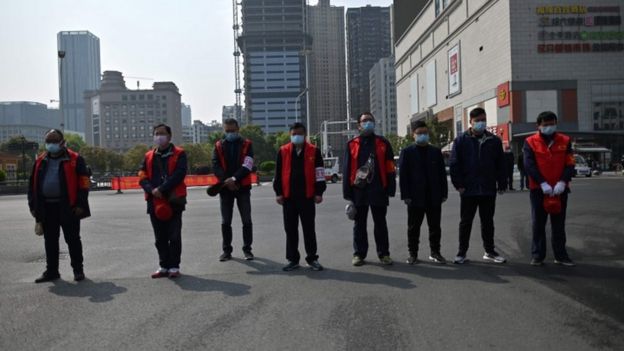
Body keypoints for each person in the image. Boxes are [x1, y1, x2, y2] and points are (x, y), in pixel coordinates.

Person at [28, 129, 91, 283]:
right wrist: (33, 206)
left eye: (54, 141)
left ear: (62, 143)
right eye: (48, 141)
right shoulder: (40, 160)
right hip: (46, 207)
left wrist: (80, 204)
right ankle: (52, 271)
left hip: (69, 206)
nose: (51, 144)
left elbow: (84, 183)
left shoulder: (75, 159)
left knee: (73, 239)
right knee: (50, 241)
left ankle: (78, 270)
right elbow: (32, 186)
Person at [449, 107, 507, 264]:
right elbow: (454, 164)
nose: (481, 123)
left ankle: (489, 251)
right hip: (468, 189)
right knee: (466, 222)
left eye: (483, 120)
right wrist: (458, 184)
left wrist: (502, 183)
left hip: (488, 188)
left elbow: (500, 164)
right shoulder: (461, 140)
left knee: (488, 221)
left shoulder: (494, 141)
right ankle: (461, 253)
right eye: (477, 121)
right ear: (470, 122)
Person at [343, 112, 396, 266]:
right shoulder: (352, 144)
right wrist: (347, 192)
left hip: (379, 189)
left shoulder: (383, 143)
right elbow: (346, 170)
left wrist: (391, 187)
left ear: (374, 123)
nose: (368, 123)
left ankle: (384, 254)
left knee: (380, 223)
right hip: (359, 191)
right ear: (359, 125)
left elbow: (390, 167)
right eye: (364, 121)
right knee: (359, 224)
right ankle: (359, 254)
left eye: (370, 120)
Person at [523, 111, 576, 266]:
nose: (549, 127)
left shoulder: (565, 140)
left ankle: (561, 255)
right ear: (538, 126)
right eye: (545, 125)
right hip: (539, 190)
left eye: (552, 124)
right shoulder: (530, 142)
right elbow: (529, 165)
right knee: (538, 223)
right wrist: (542, 183)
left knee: (559, 224)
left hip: (560, 190)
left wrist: (562, 182)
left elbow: (570, 163)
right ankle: (538, 255)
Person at [273, 123, 327, 271]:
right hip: (288, 197)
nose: (297, 136)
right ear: (290, 135)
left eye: (300, 134)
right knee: (290, 229)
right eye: (294, 134)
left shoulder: (314, 151)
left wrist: (319, 192)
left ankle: (312, 258)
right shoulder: (283, 151)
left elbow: (320, 173)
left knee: (309, 229)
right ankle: (292, 259)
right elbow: (277, 174)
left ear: (305, 135)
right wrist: (278, 193)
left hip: (307, 197)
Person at [139, 124, 188, 278]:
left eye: (162, 133)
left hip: (173, 199)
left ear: (169, 136)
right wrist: (151, 189)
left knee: (174, 235)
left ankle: (174, 266)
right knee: (159, 237)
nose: (159, 136)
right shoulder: (148, 156)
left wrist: (162, 189)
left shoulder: (179, 153)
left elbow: (179, 174)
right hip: (154, 200)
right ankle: (163, 266)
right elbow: (141, 174)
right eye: (156, 133)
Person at [399, 120, 448, 265]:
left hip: (434, 196)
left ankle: (435, 252)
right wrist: (406, 195)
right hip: (414, 198)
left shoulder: (435, 151)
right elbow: (403, 177)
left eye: (425, 133)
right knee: (413, 228)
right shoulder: (407, 152)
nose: (423, 136)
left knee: (435, 227)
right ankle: (413, 254)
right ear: (413, 135)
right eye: (419, 133)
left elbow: (442, 175)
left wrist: (444, 193)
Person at [212, 118, 254, 261]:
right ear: (224, 130)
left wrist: (234, 179)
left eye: (232, 130)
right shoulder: (218, 145)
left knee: (246, 220)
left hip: (242, 187)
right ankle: (226, 251)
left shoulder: (247, 144)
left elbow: (248, 165)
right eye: (227, 131)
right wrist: (227, 181)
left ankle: (247, 250)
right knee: (226, 221)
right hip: (225, 188)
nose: (230, 133)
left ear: (238, 130)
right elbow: (215, 165)